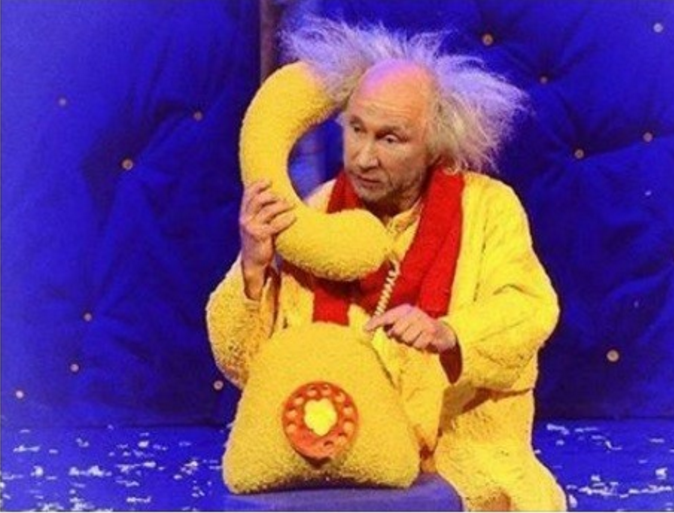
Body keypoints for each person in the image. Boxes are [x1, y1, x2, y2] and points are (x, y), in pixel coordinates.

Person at [207, 18, 565, 511]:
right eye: (356, 129)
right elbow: (250, 366)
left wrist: (449, 332)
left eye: (390, 139)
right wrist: (253, 269)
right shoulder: (314, 213)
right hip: (340, 459)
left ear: (435, 143)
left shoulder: (489, 208)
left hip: (459, 462)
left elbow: (528, 309)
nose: (363, 158)